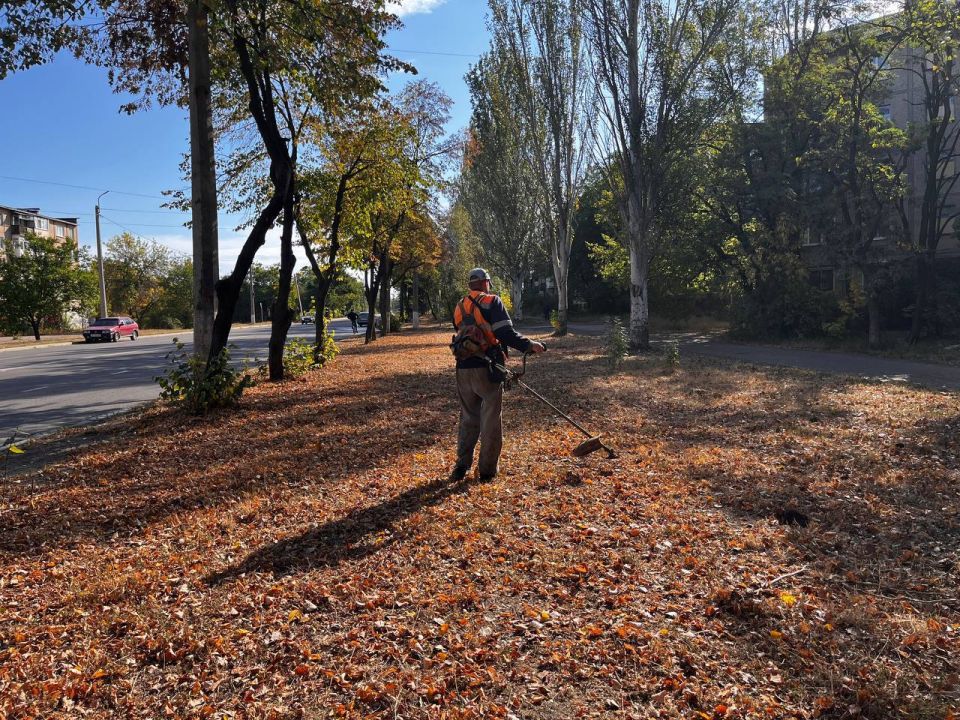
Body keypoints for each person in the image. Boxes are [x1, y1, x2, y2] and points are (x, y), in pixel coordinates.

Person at [451, 268, 545, 482]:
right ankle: (486, 471)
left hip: (463, 368)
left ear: (470, 285)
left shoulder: (459, 305)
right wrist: (530, 345)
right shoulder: (492, 302)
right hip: (488, 368)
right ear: (486, 283)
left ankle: (461, 466)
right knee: (491, 418)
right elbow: (504, 333)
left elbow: (462, 331)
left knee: (468, 417)